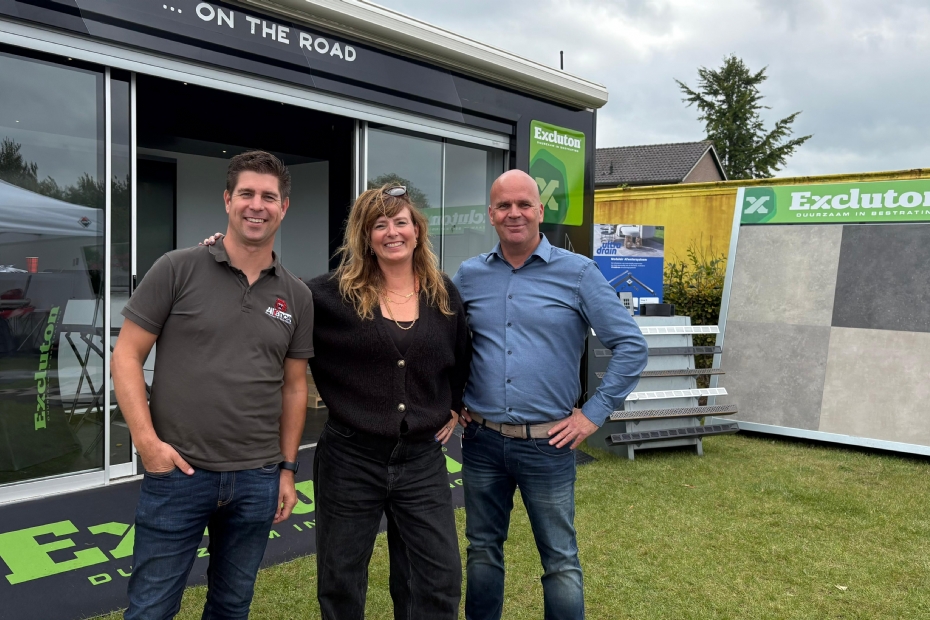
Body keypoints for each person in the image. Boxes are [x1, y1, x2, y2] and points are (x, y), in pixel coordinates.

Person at [112, 151, 314, 619]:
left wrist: (287, 470)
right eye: (246, 193)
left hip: (257, 478)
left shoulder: (297, 295)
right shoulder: (177, 268)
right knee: (151, 609)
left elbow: (294, 387)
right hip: (178, 473)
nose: (256, 205)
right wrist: (147, 445)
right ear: (227, 200)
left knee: (231, 606)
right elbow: (125, 356)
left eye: (269, 197)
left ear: (284, 207)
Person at [452, 169, 649, 620]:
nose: (514, 213)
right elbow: (449, 342)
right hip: (481, 441)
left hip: (549, 443)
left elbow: (631, 346)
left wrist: (593, 413)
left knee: (559, 561)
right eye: (504, 206)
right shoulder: (469, 275)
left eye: (524, 204)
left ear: (540, 210)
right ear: (490, 214)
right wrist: (452, 396)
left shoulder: (578, 273)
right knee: (482, 549)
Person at [309, 184, 470, 620]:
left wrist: (453, 404)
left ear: (418, 231)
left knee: (437, 577)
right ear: (366, 237)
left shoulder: (442, 294)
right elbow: (270, 297)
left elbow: (461, 355)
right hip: (350, 457)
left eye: (401, 222)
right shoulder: (329, 295)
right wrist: (227, 254)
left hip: (421, 460)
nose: (392, 232)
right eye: (380, 225)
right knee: (341, 579)